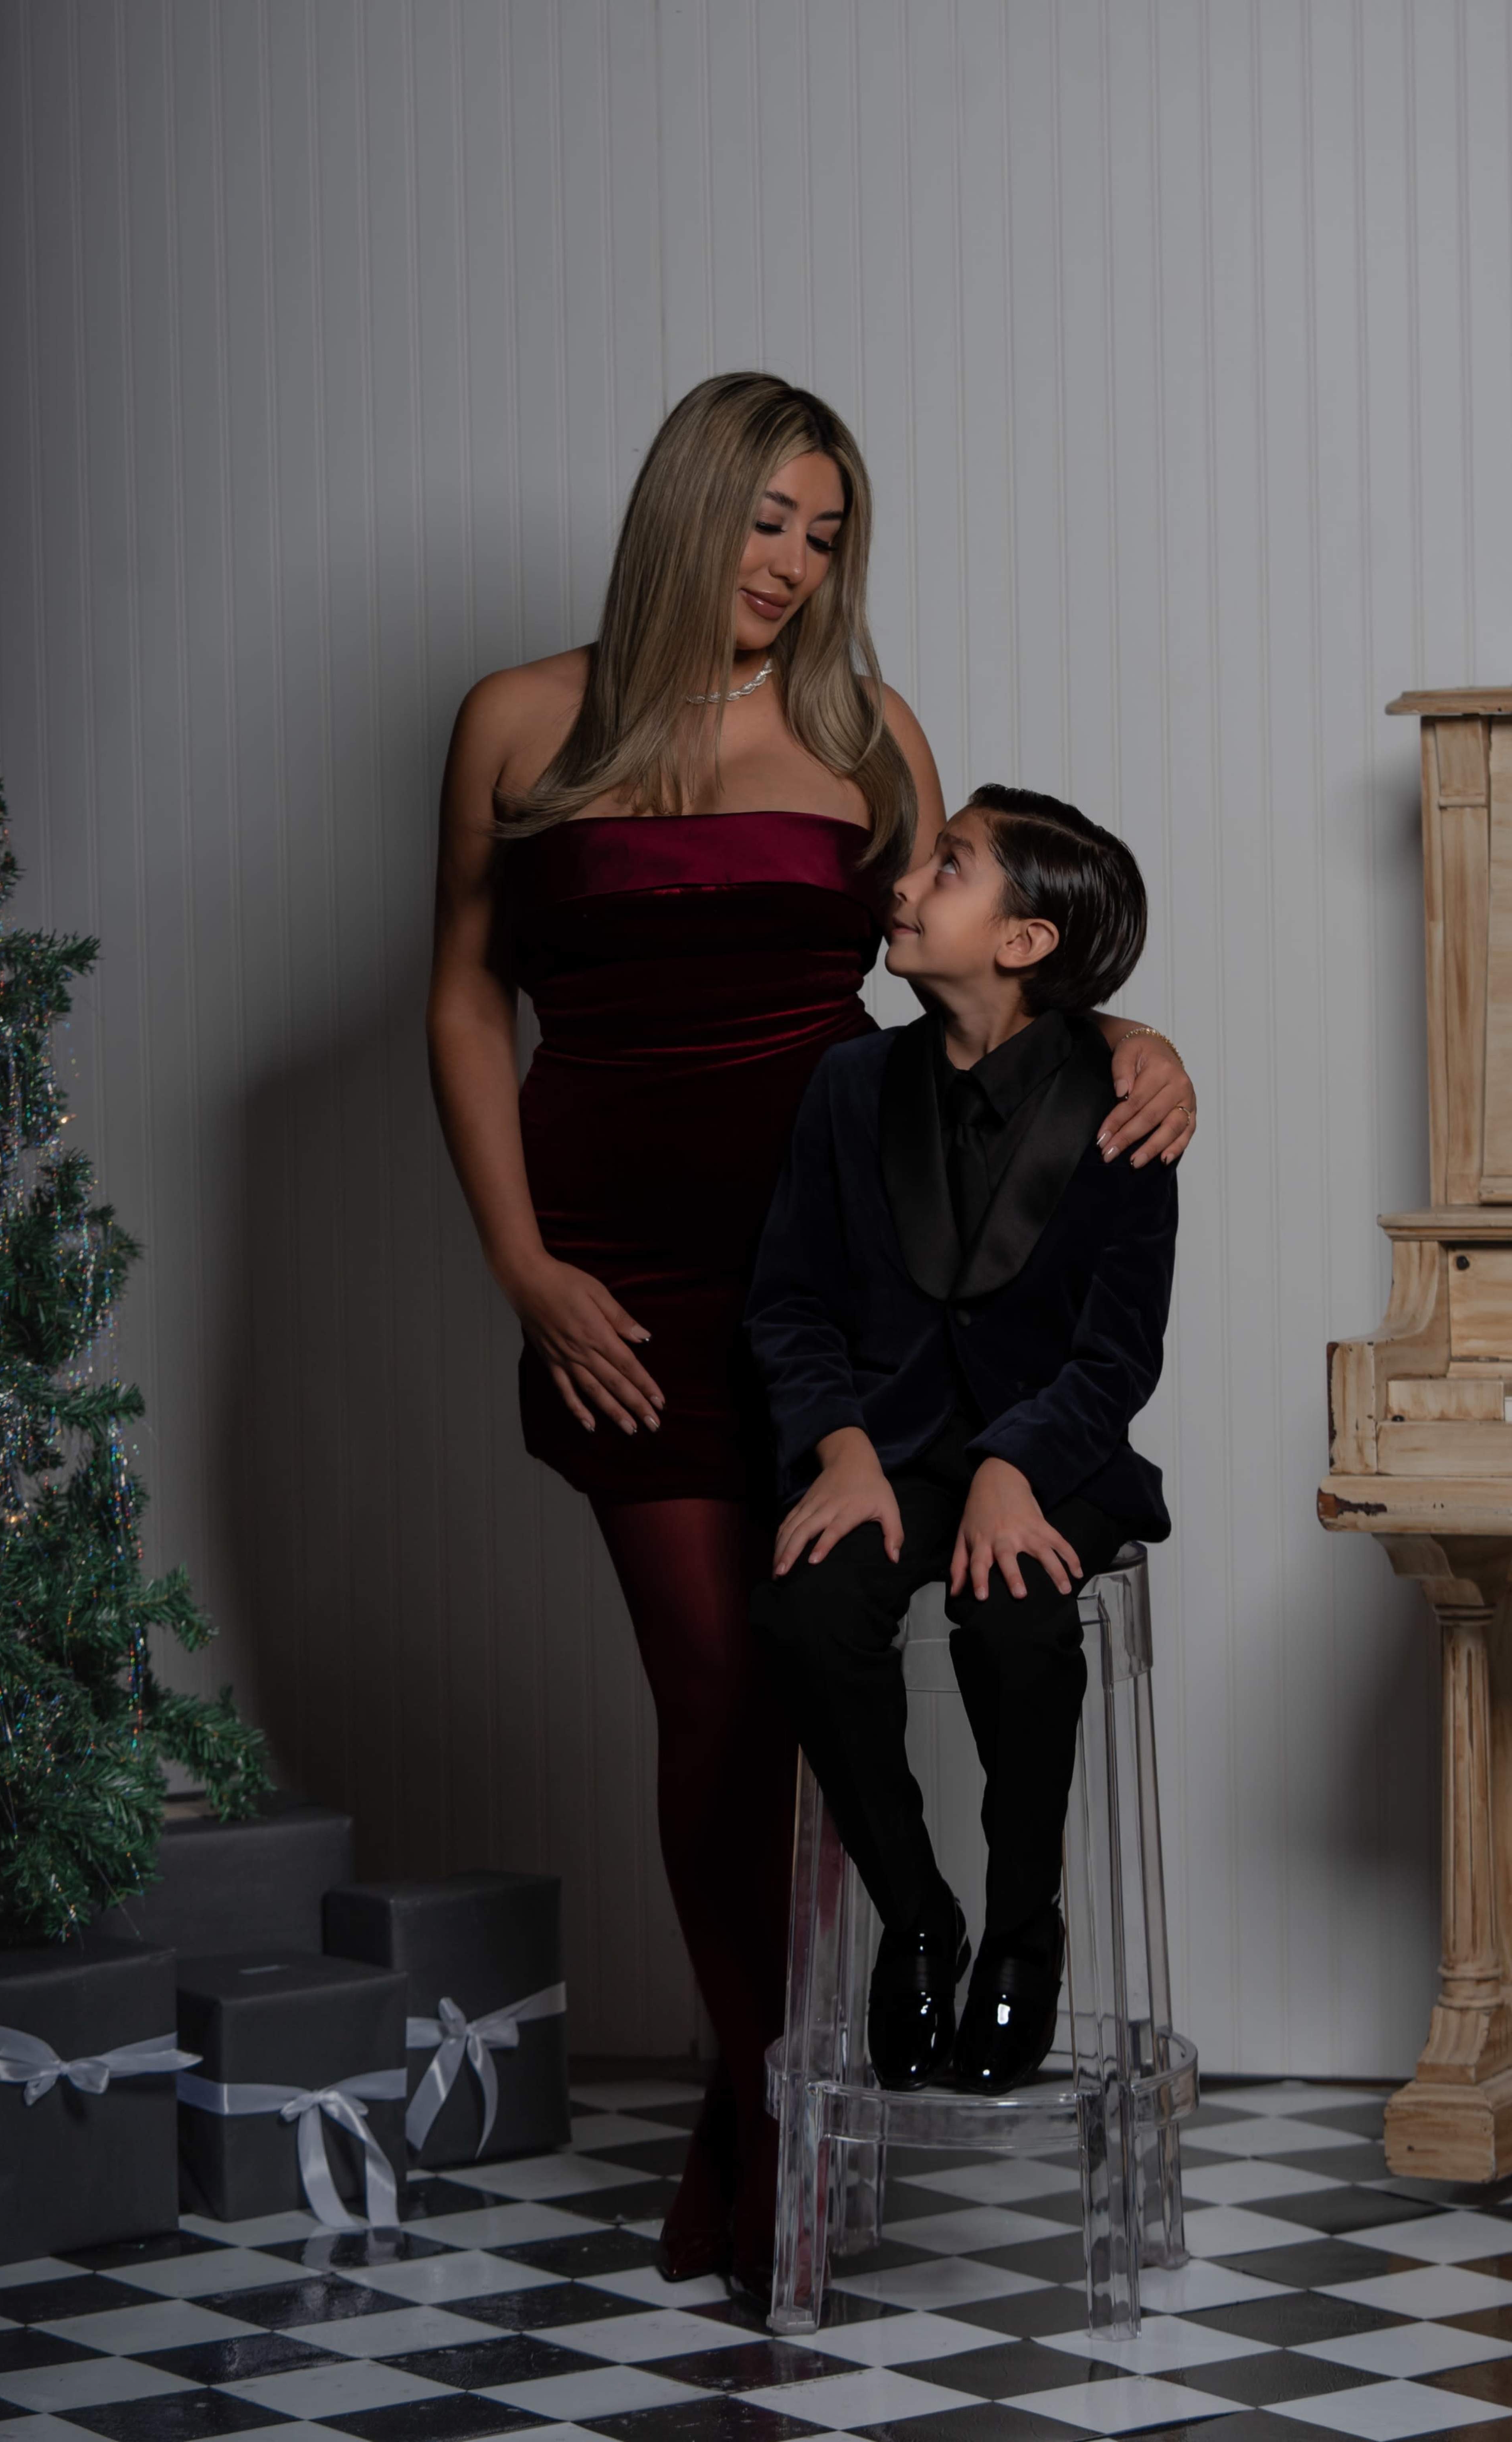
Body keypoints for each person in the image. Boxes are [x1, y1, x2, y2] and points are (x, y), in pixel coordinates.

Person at [427, 375, 1197, 2294]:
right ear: (692, 508)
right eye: (769, 519)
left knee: (788, 1673)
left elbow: (989, 971)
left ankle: (772, 2097)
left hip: (838, 1295)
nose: (793, 564)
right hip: (615, 1274)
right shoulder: (520, 723)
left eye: (827, 534)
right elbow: (458, 1002)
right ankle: (763, 2092)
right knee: (711, 1694)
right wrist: (520, 1265)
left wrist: (1141, 1037)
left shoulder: (865, 734)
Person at [747, 787, 1176, 2095]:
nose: (908, 884)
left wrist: (1015, 1466)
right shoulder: (850, 1083)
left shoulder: (1130, 1105)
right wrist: (838, 1447)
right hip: (890, 1453)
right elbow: (791, 1301)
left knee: (1016, 1618)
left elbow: (1118, 1360)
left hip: (1057, 1456)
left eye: (952, 868)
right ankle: (918, 1915)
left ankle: (1023, 1926)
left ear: (1025, 943)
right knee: (808, 1610)